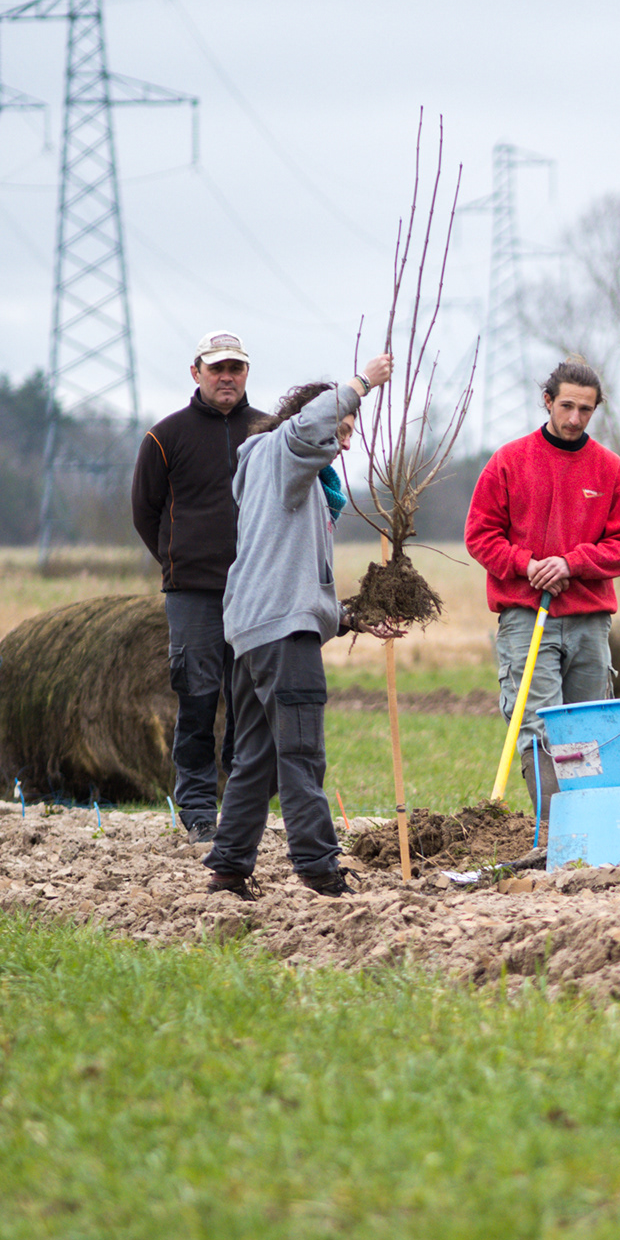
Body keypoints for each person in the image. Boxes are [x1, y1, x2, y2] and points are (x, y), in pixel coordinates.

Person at [205, 355, 403, 898]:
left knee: (259, 759)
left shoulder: (284, 475)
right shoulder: (284, 451)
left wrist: (348, 617)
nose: (343, 443)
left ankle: (228, 868)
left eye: (348, 434)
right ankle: (319, 870)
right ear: (304, 418)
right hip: (281, 635)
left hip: (255, 629)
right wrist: (362, 383)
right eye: (340, 430)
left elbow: (287, 572)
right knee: (302, 754)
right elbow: (311, 425)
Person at [466, 360, 620, 814]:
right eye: (566, 406)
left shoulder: (611, 470)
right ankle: (556, 831)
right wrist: (527, 566)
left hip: (589, 619)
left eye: (585, 410)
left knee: (587, 728)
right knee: (540, 726)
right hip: (526, 616)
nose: (574, 419)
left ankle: (588, 825)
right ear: (547, 401)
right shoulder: (508, 462)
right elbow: (480, 536)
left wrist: (572, 563)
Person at [131, 331, 273, 842]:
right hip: (193, 590)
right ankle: (195, 809)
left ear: (247, 373)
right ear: (197, 373)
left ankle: (240, 806)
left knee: (248, 700)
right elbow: (144, 513)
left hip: (258, 588)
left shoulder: (270, 432)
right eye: (217, 368)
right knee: (195, 696)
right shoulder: (165, 437)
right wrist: (179, 561)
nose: (227, 377)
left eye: (236, 367)